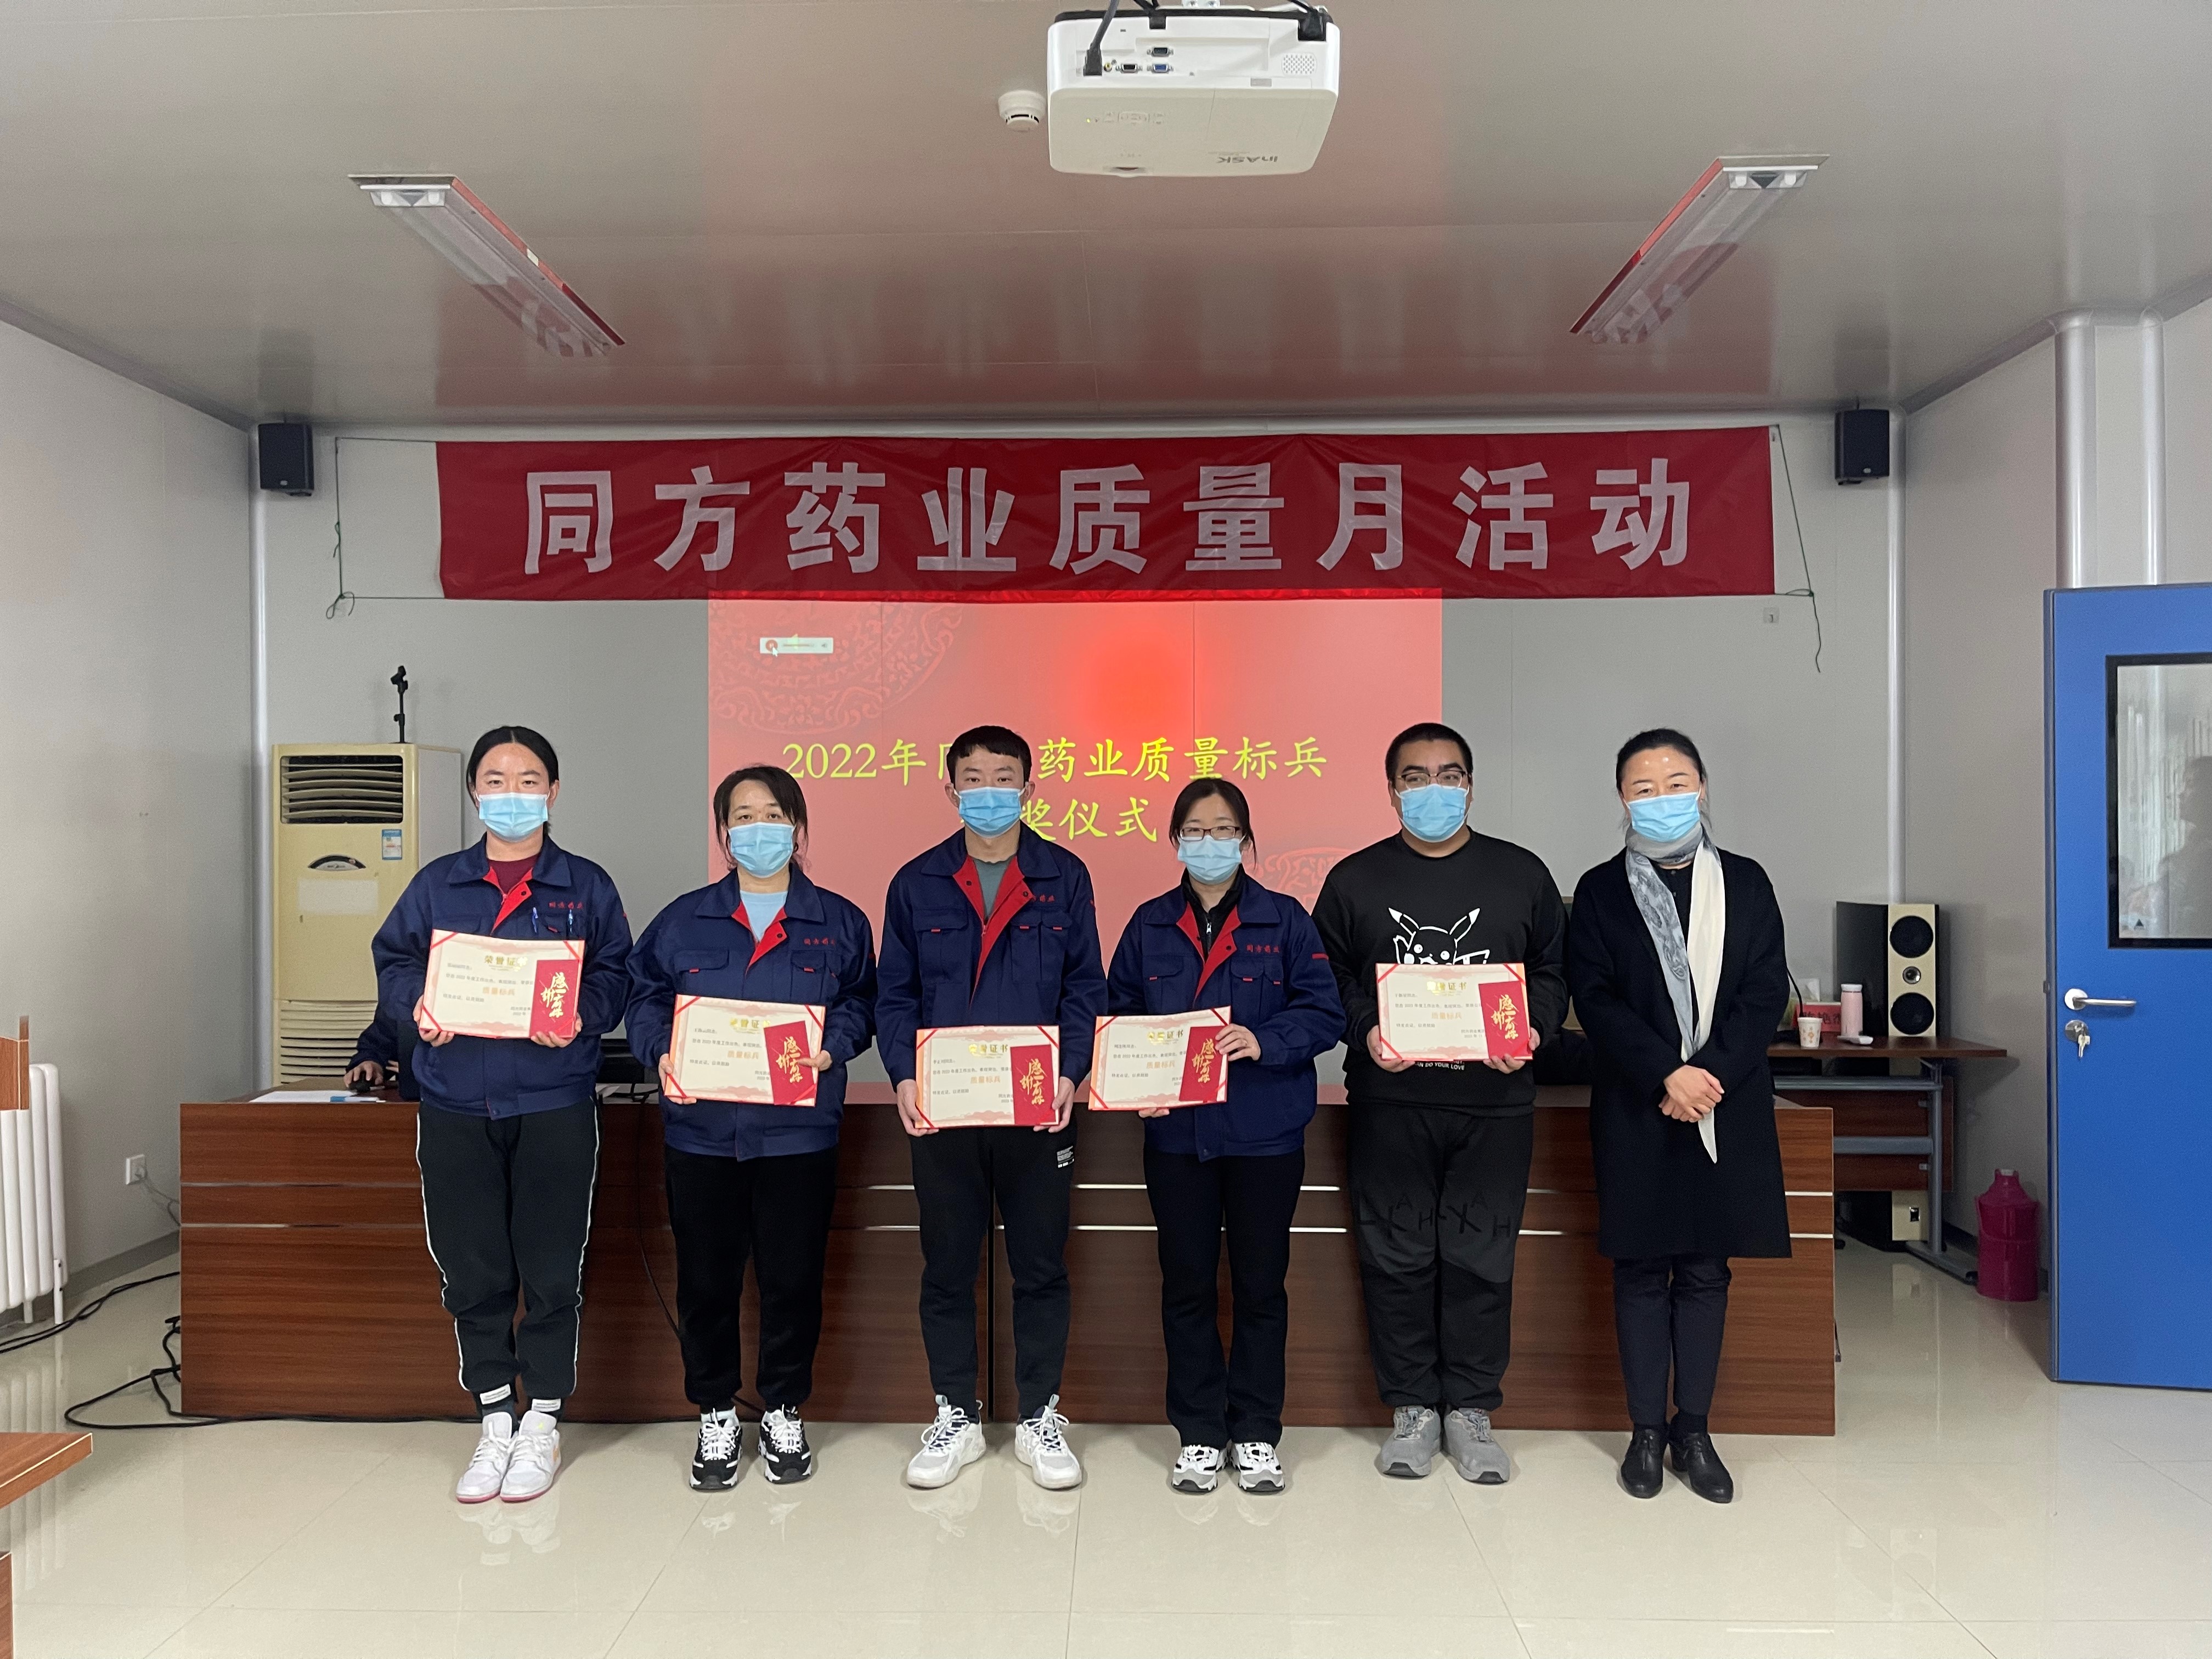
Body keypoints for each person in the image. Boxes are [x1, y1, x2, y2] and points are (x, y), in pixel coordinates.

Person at [370, 726, 631, 1505]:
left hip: (552, 1101)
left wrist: (581, 1016)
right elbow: (395, 960)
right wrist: (418, 1007)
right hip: (455, 1102)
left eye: (527, 780)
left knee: (552, 1267)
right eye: (495, 779)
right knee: (472, 1265)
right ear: (474, 793)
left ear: (553, 792)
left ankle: (542, 1419)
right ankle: (493, 1415)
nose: (511, 794)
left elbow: (616, 974)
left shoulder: (586, 886)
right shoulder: (438, 885)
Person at [1313, 721, 1566, 1485]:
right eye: (1416, 777)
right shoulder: (1354, 880)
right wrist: (1367, 1030)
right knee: (1396, 1257)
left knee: (1481, 1258)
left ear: (1471, 787)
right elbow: (1327, 976)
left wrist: (1532, 1028)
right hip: (1392, 1100)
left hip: (1495, 1104)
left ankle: (1473, 1411)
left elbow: (1553, 971)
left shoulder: (1521, 874)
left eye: (1449, 776)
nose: (1434, 790)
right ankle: (1413, 1410)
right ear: (1392, 791)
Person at [624, 765, 877, 1491]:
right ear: (723, 834)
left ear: (798, 830)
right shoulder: (683, 921)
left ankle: (784, 1408)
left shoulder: (840, 921)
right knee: (706, 1283)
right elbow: (644, 998)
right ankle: (714, 1412)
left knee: (792, 1281)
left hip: (798, 1135)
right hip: (702, 1133)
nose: (758, 829)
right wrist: (660, 1049)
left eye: (773, 815)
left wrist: (835, 1045)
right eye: (743, 816)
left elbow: (863, 1001)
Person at [876, 725, 1107, 1493]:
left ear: (1029, 788)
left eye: (1003, 777)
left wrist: (1072, 1071)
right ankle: (957, 1415)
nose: (988, 792)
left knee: (1040, 1265)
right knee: (947, 1266)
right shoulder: (916, 882)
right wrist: (902, 1075)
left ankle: (1039, 1415)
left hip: (1037, 1110)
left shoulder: (1064, 875)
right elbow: (895, 993)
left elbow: (1085, 987)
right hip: (944, 1108)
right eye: (972, 779)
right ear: (949, 789)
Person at [1566, 728, 1791, 1505]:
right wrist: (1667, 1071)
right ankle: (1645, 1433)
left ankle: (1694, 1429)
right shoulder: (1600, 891)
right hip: (1639, 1102)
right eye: (1643, 787)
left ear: (1703, 787)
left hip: (1725, 1105)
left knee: (1704, 1270)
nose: (1661, 799)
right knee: (1639, 1269)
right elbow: (1594, 997)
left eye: (1676, 782)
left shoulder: (1747, 882)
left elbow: (1765, 991)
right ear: (1621, 799)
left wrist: (1707, 1076)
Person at [1107, 780, 1344, 1496]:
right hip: (1177, 1139)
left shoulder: (1285, 919)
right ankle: (1200, 1434)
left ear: (1246, 840)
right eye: (1195, 830)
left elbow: (1325, 1013)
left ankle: (1257, 1431)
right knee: (1186, 1286)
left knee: (1260, 1286)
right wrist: (1135, 1077)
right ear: (1175, 840)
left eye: (1223, 830)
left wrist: (1264, 1040)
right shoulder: (1149, 924)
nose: (1209, 843)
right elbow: (1119, 1015)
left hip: (1265, 1135)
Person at [346, 1006, 416, 1097]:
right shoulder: (398, 1000)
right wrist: (371, 1062)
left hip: (429, 1097)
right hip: (407, 1098)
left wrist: (420, 1069)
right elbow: (380, 1040)